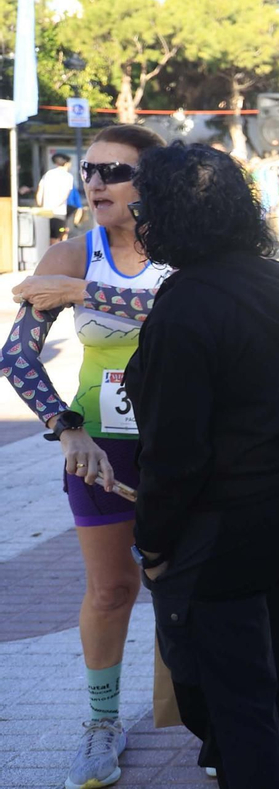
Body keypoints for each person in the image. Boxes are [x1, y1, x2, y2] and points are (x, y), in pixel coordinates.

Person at [126, 143, 279, 789]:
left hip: (218, 537)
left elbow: (174, 453)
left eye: (144, 205)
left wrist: (152, 544)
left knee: (238, 705)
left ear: (171, 215)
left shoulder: (185, 306)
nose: (138, 217)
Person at [0, 125, 170, 789]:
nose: (95, 182)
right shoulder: (73, 253)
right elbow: (17, 354)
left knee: (187, 587)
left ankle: (209, 718)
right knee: (111, 590)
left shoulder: (187, 254)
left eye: (114, 171)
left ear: (151, 184)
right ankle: (101, 724)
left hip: (182, 447)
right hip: (100, 448)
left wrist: (88, 298)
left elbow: (195, 313)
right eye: (90, 170)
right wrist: (67, 428)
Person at [38, 151, 77, 244]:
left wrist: (42, 206)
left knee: (45, 238)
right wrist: (55, 206)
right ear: (67, 163)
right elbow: (65, 194)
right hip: (59, 212)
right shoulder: (68, 176)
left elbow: (39, 192)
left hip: (45, 212)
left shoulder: (48, 174)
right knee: (56, 238)